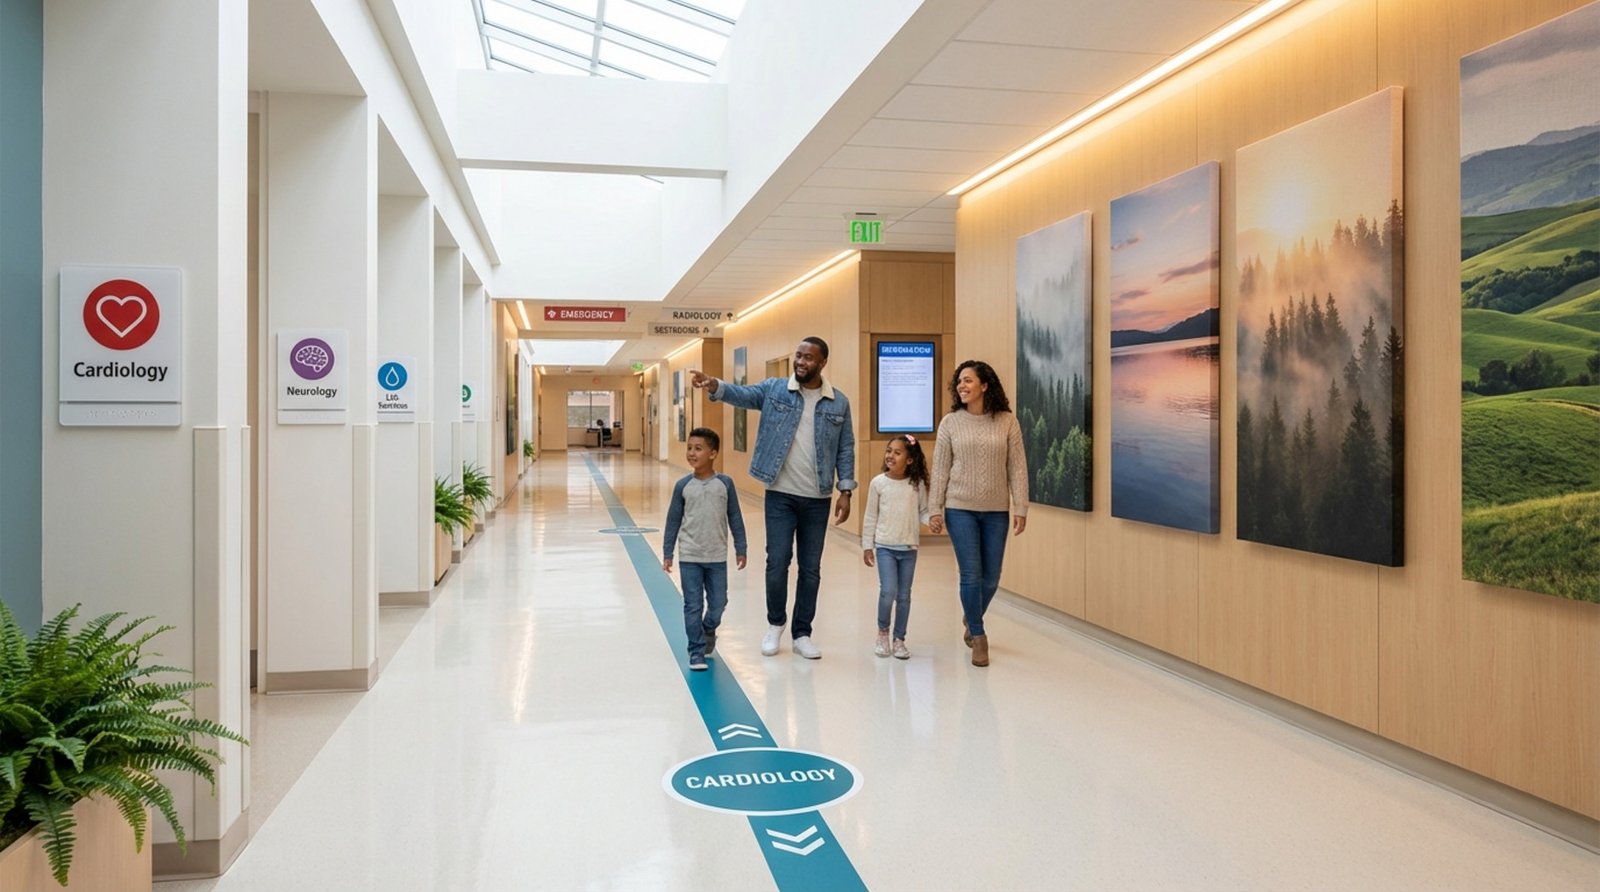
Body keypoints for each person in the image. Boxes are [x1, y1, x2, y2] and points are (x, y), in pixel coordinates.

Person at [688, 337, 856, 660]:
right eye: (798, 356)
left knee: (811, 568)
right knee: (777, 562)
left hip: (817, 497)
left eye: (808, 358)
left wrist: (845, 490)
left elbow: (846, 448)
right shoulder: (776, 390)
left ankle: (802, 633)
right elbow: (744, 395)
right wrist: (715, 386)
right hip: (779, 493)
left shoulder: (838, 403)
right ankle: (775, 624)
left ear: (822, 363)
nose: (801, 362)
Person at [927, 360, 1028, 668]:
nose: (962, 385)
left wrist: (1021, 506)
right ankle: (979, 636)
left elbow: (1018, 466)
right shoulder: (950, 423)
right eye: (959, 381)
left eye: (968, 380)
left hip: (996, 510)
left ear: (985, 385)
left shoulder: (1007, 421)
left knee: (992, 577)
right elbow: (941, 468)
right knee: (971, 574)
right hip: (960, 508)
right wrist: (935, 509)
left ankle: (971, 616)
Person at [662, 428, 748, 671]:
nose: (691, 453)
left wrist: (741, 547)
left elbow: (735, 517)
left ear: (713, 453)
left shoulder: (725, 484)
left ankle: (709, 628)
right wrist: (668, 552)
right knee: (692, 605)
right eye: (689, 447)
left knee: (719, 603)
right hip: (689, 556)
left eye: (698, 448)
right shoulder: (683, 486)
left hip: (717, 556)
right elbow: (672, 521)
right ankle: (696, 651)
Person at [861, 435, 929, 660]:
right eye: (889, 450)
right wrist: (867, 545)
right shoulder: (878, 483)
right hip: (885, 547)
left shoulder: (916, 485)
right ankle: (882, 633)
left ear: (910, 460)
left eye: (897, 452)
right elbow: (871, 515)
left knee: (904, 596)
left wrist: (933, 520)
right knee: (888, 590)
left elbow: (923, 512)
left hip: (909, 548)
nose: (890, 455)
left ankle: (899, 639)